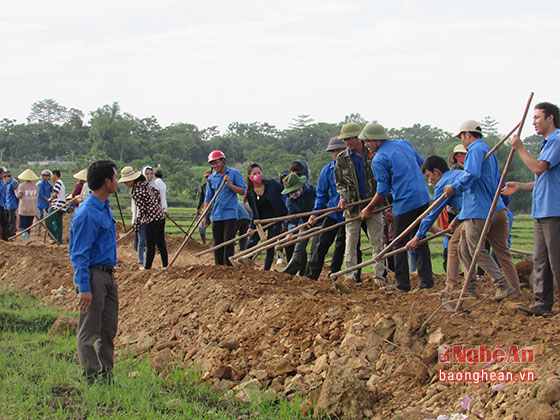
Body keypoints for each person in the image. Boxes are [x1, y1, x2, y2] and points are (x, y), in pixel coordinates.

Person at [443, 120, 522, 301]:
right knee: (468, 249)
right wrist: (460, 217)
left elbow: (472, 176)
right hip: (496, 209)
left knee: (475, 249)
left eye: (462, 137)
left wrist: (454, 187)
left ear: (467, 135)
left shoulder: (475, 150)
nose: (462, 142)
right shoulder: (488, 152)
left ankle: (502, 284)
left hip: (479, 211)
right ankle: (475, 291)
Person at [361, 123, 435, 292]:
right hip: (423, 197)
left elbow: (383, 190)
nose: (366, 145)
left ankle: (402, 284)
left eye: (367, 142)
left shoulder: (379, 159)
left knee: (398, 243)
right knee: (420, 239)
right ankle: (426, 282)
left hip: (405, 202)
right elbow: (423, 165)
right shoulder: (404, 144)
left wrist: (369, 208)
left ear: (375, 140)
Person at [503, 102, 560, 316]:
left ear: (550, 118)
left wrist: (519, 148)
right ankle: (542, 304)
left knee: (556, 261)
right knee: (541, 261)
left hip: (554, 212)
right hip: (541, 211)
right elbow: (542, 181)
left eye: (537, 117)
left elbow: (538, 168)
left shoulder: (557, 140)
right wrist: (520, 186)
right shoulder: (547, 144)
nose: (534, 122)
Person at [69, 160, 118, 384]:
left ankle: (106, 376)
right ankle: (91, 377)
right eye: (115, 177)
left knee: (108, 329)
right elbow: (79, 254)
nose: (117, 181)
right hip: (93, 275)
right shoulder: (87, 214)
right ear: (106, 181)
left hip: (108, 275)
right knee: (89, 331)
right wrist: (84, 288)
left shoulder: (105, 207)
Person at [334, 123, 386, 284]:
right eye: (345, 140)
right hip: (352, 207)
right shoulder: (342, 159)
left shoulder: (373, 154)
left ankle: (379, 277)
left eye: (349, 139)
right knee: (351, 243)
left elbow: (383, 179)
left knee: (377, 242)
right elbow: (340, 183)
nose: (347, 143)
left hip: (374, 204)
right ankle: (350, 276)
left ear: (357, 138)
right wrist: (343, 197)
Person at [405, 156, 464, 295]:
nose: (430, 180)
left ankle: (453, 287)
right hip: (494, 211)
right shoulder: (460, 174)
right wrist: (458, 219)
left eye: (430, 176)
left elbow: (432, 214)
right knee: (499, 250)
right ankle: (509, 285)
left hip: (476, 215)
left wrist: (417, 237)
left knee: (455, 246)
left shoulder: (443, 184)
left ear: (437, 172)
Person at [306, 137, 348, 280]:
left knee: (342, 245)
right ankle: (314, 273)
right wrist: (315, 213)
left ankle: (334, 273)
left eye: (340, 150)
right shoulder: (327, 170)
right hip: (333, 212)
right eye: (334, 151)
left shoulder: (352, 168)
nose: (337, 154)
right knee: (322, 243)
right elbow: (322, 194)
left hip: (349, 213)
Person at [201, 151, 246, 266]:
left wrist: (230, 185)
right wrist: (204, 216)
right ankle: (219, 266)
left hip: (230, 213)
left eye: (216, 162)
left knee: (228, 241)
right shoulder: (211, 178)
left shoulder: (234, 173)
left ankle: (228, 266)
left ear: (222, 161)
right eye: (212, 164)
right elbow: (208, 198)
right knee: (217, 242)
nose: (215, 166)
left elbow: (243, 191)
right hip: (216, 214)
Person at [120, 166, 168, 269]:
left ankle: (147, 267)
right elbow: (157, 193)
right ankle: (165, 265)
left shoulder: (136, 191)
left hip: (152, 218)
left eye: (126, 181)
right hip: (160, 215)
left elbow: (142, 210)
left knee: (150, 244)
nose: (125, 184)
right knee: (160, 242)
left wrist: (137, 223)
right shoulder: (145, 184)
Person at [245, 163, 288, 270]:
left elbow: (285, 192)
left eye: (259, 172)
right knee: (251, 242)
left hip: (276, 219)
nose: (257, 175)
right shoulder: (250, 194)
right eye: (254, 173)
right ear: (250, 177)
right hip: (261, 221)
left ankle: (266, 270)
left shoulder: (272, 184)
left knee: (270, 245)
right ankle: (246, 264)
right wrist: (251, 227)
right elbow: (255, 212)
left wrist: (284, 220)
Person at [281, 172, 316, 275]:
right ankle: (291, 270)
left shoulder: (311, 191)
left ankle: (311, 271)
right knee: (299, 245)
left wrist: (314, 216)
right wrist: (291, 232)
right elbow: (292, 218)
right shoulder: (290, 199)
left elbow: (320, 204)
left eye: (294, 191)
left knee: (316, 246)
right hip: (304, 221)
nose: (293, 194)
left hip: (318, 219)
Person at [15, 169, 39, 245]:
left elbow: (19, 196)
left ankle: (26, 239)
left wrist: (15, 191)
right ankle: (27, 240)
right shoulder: (36, 186)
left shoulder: (22, 186)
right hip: (32, 209)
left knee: (22, 227)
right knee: (28, 226)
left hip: (24, 209)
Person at [46, 169, 66, 245]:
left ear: (55, 175)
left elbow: (55, 193)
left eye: (52, 176)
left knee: (48, 221)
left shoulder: (58, 183)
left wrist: (50, 199)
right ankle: (59, 240)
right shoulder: (62, 183)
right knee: (58, 223)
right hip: (61, 206)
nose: (51, 178)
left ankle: (53, 237)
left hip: (57, 205)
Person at [196, 170, 212, 245]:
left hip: (215, 210)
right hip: (207, 211)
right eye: (206, 177)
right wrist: (198, 209)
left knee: (215, 228)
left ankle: (216, 243)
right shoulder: (204, 187)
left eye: (209, 176)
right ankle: (204, 244)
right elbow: (202, 199)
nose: (207, 178)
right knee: (201, 228)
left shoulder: (215, 185)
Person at [37, 169, 53, 235]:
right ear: (43, 176)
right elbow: (42, 194)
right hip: (41, 203)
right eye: (47, 176)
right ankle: (39, 230)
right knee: (41, 216)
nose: (48, 177)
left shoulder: (48, 184)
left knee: (49, 216)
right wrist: (48, 200)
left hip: (47, 203)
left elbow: (52, 189)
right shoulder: (40, 184)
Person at [3, 170, 19, 238]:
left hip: (12, 204)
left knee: (11, 220)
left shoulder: (13, 183)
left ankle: (12, 234)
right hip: (6, 204)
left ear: (7, 177)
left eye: (4, 177)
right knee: (6, 219)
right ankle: (7, 232)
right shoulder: (6, 184)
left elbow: (16, 194)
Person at [0, 167, 8, 241]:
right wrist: (5, 184)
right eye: (2, 173)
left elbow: (4, 194)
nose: (3, 175)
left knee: (4, 222)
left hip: (2, 204)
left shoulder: (2, 182)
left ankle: (4, 238)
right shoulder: (3, 183)